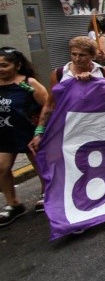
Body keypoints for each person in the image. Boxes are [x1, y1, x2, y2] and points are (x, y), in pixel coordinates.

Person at [29, 37, 105, 160]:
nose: (77, 58)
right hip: (70, 129)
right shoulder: (59, 74)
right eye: (73, 54)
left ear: (92, 55)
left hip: (100, 127)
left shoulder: (103, 72)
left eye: (82, 55)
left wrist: (94, 82)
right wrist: (39, 131)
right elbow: (50, 104)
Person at [0, 48, 48, 225]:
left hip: (29, 133)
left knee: (39, 165)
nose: (1, 69)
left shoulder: (28, 83)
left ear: (17, 65)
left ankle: (47, 194)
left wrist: (39, 131)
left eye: (5, 65)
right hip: (4, 135)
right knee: (2, 168)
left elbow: (47, 105)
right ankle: (13, 204)